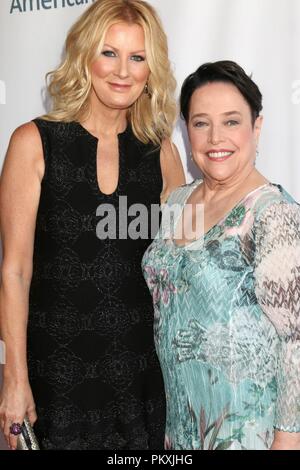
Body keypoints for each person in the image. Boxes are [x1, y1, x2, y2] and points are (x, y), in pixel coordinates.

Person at [0, 0, 185, 450]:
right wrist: (14, 379)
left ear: (151, 68)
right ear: (85, 56)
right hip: (54, 381)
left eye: (137, 57)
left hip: (140, 379)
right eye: (109, 53)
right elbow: (15, 271)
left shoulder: (160, 152)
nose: (123, 70)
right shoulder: (33, 143)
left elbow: (180, 269)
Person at [142, 61, 300, 450]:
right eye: (201, 123)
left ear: (256, 128)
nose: (216, 137)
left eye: (231, 121)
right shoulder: (178, 200)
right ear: (186, 129)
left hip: (245, 434)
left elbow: (295, 341)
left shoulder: (272, 212)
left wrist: (289, 438)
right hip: (179, 430)